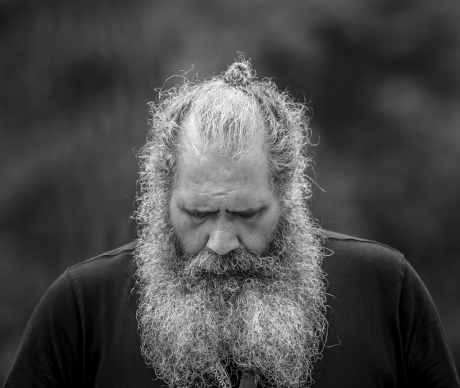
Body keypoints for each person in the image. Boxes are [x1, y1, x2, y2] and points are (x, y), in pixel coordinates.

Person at [4, 56, 459, 388]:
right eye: (198, 214)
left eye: (246, 214)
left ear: (287, 196)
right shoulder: (83, 307)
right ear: (162, 197)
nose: (221, 242)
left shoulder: (384, 288)